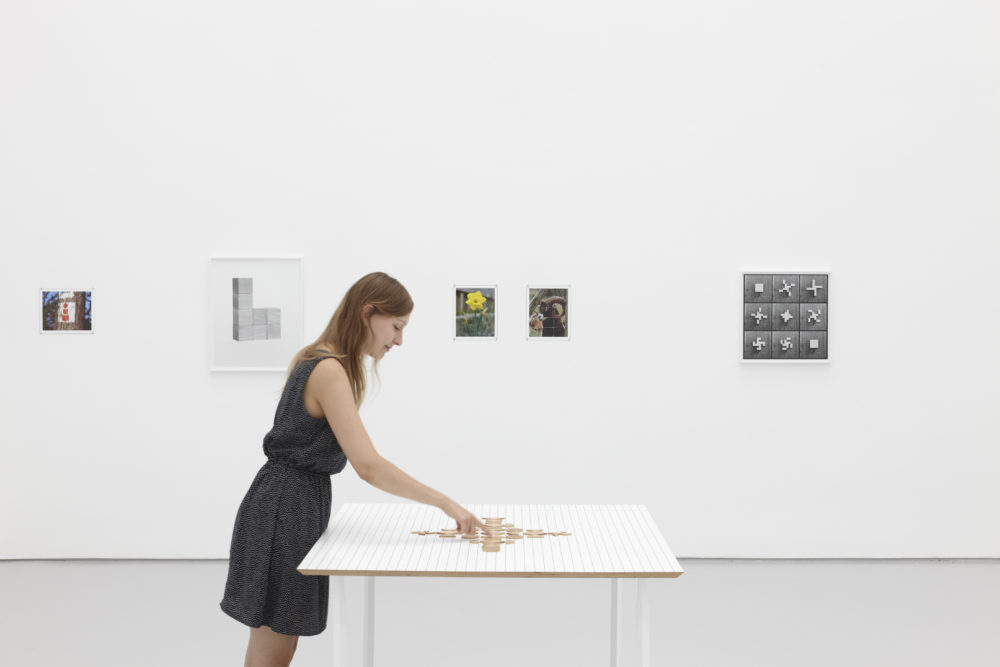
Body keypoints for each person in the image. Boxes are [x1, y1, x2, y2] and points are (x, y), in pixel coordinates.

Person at [220, 271, 489, 667]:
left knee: (277, 647)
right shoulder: (328, 369)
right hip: (284, 509)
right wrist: (443, 502)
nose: (398, 339)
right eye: (396, 326)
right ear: (368, 313)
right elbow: (368, 466)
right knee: (273, 652)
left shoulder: (321, 360)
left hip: (287, 503)